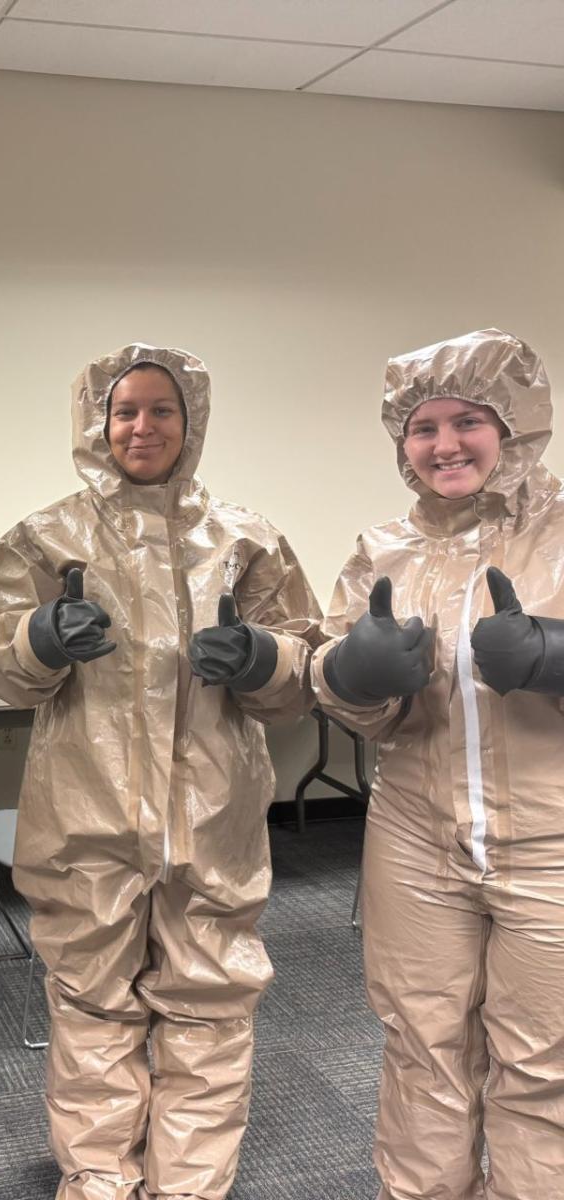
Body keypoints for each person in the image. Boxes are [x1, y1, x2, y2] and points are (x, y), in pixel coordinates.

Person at [0, 344, 321, 1200]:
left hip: (215, 815)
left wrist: (263, 659)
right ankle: (97, 1172)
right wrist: (41, 640)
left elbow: (307, 673)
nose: (142, 426)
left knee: (211, 997)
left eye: (163, 410)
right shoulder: (44, 538)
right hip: (84, 815)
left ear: (190, 422)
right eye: (125, 410)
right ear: (97, 422)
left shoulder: (247, 539)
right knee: (92, 1000)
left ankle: (190, 1179)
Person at [312, 328, 564, 1200]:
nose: (445, 445)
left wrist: (556, 657)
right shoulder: (384, 548)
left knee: (541, 1063)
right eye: (423, 428)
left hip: (551, 842)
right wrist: (351, 673)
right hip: (415, 836)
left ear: (517, 426)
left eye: (468, 421)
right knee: (422, 1048)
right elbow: (337, 679)